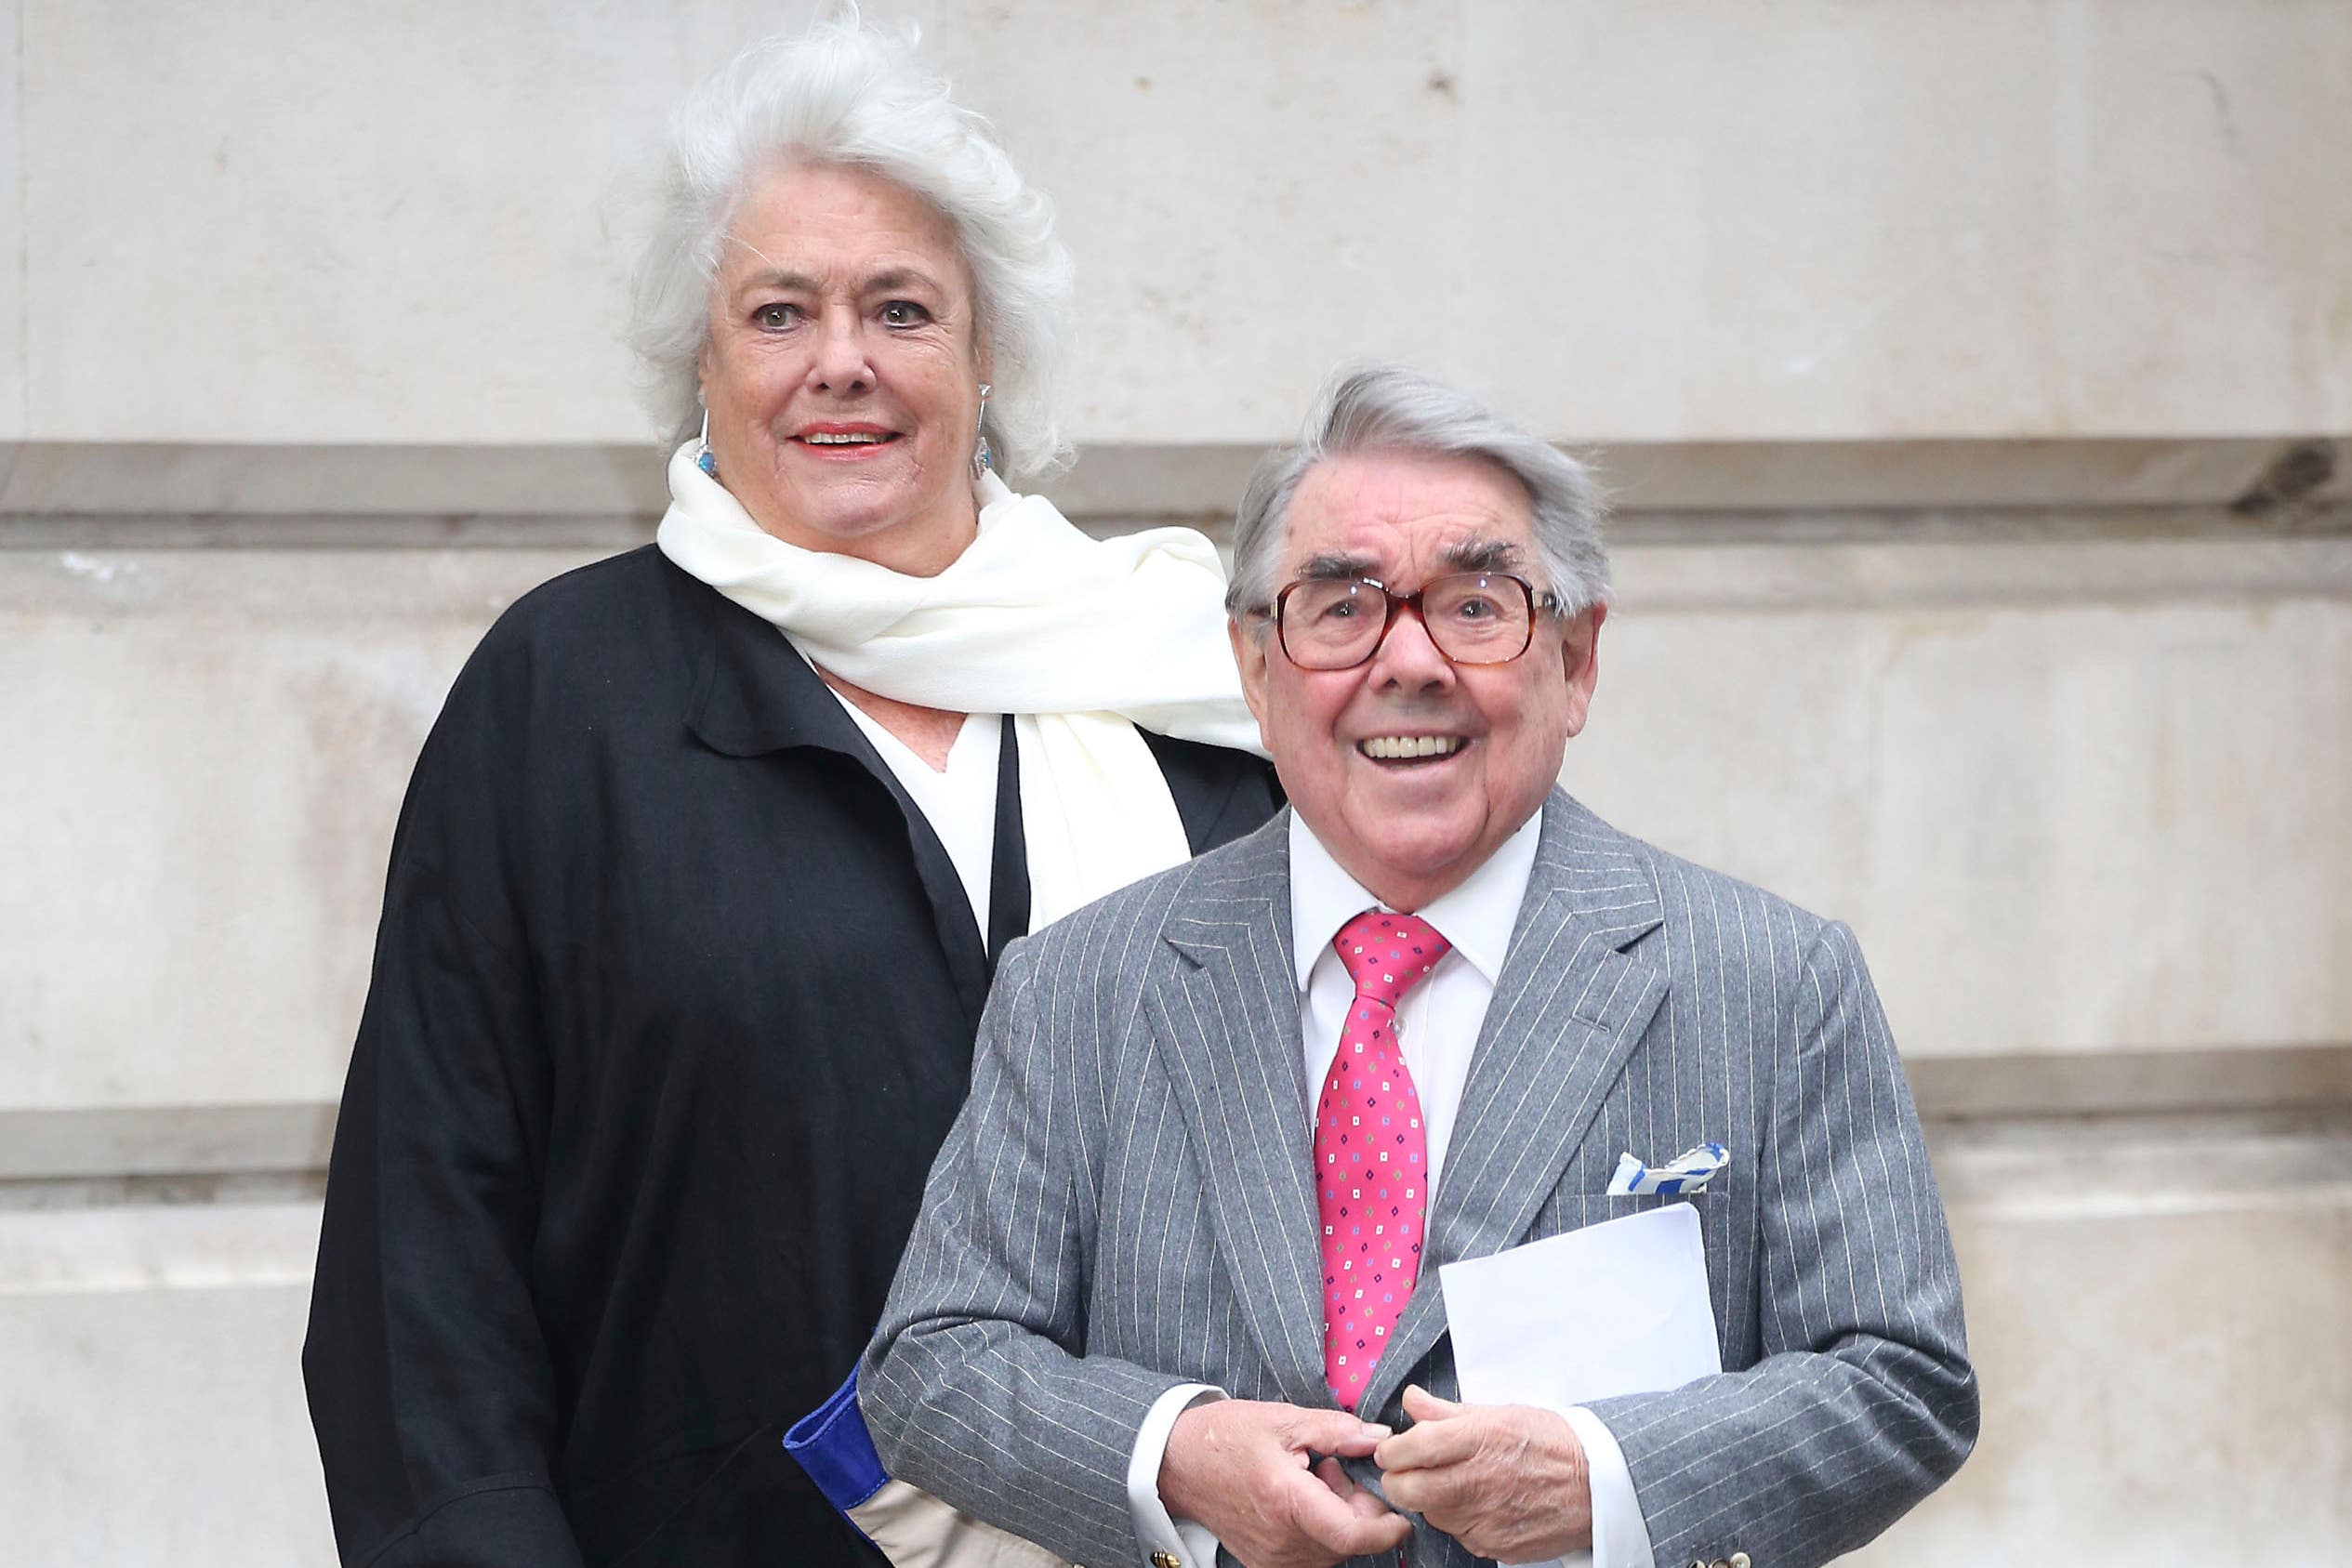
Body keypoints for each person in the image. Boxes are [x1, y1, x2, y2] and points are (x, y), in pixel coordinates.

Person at [300, 19, 1278, 1568]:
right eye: (778, 312)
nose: (843, 361)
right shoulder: (571, 694)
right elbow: (426, 1241)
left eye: (901, 308)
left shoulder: (1199, 693)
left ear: (985, 354)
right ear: (700, 362)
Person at [864, 363, 1978, 1568]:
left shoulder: (1772, 984)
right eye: (1340, 605)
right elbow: (933, 1367)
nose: (1408, 662)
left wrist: (1607, 1478)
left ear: (1577, 660)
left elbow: (1898, 1381)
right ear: (1254, 664)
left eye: (1476, 602)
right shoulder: (1080, 989)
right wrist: (1173, 1453)